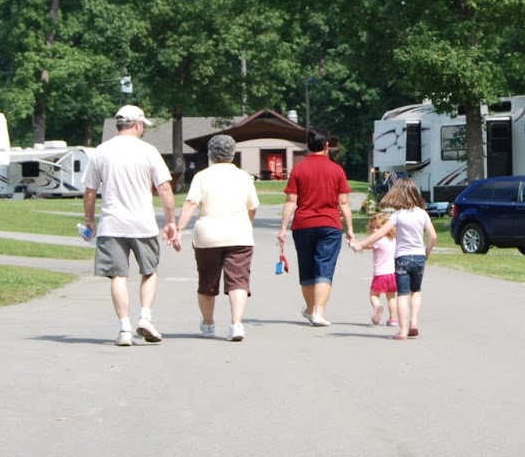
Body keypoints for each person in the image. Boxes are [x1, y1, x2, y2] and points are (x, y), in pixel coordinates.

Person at [81, 104, 178, 346]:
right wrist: (170, 221)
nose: (143, 128)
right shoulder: (148, 151)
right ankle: (145, 316)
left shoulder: (101, 152)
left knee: (118, 275)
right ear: (136, 125)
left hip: (112, 224)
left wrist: (90, 219)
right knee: (150, 270)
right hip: (142, 223)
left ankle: (124, 329)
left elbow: (90, 191)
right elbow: (164, 188)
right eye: (143, 125)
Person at [173, 134, 259, 341]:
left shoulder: (202, 176)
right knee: (238, 280)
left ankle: (209, 324)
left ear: (211, 154)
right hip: (239, 234)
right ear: (232, 154)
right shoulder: (243, 177)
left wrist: (179, 229)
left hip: (208, 235)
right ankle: (236, 324)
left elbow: (191, 203)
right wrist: (246, 222)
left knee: (207, 281)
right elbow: (252, 207)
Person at [279, 127, 354, 327]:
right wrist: (350, 229)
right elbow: (344, 202)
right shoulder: (337, 170)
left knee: (307, 268)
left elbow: (290, 201)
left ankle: (311, 309)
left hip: (303, 224)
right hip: (329, 224)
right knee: (325, 268)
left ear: (308, 146)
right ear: (327, 145)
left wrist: (282, 229)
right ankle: (318, 312)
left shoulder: (299, 169)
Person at [351, 178, 435, 340]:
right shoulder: (422, 213)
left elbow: (380, 233)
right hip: (419, 257)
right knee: (416, 291)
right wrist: (427, 252)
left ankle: (402, 331)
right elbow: (433, 236)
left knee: (402, 294)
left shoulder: (397, 215)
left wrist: (361, 245)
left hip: (402, 258)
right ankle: (414, 323)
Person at [361, 211, 398, 326]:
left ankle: (377, 307)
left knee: (373, 294)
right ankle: (393, 319)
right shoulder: (393, 240)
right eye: (372, 227)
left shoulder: (378, 240)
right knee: (391, 296)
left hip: (380, 274)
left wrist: (355, 244)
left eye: (378, 227)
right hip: (393, 274)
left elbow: (366, 245)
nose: (374, 230)